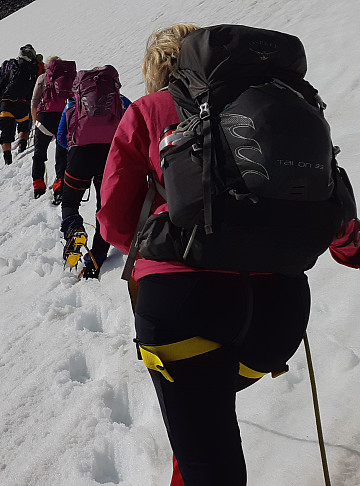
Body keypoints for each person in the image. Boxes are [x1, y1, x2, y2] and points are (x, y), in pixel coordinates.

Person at [98, 24, 360, 485]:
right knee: (206, 417)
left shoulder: (149, 110)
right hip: (278, 316)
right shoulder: (276, 104)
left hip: (185, 310)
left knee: (207, 452)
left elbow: (115, 224)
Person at [55, 65, 130, 278]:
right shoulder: (120, 100)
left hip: (80, 157)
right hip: (110, 157)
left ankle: (74, 229)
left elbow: (61, 137)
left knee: (70, 202)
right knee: (103, 208)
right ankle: (96, 259)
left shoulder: (74, 102)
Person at [31, 56, 76, 201]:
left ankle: (38, 185)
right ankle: (59, 186)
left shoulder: (43, 78)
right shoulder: (69, 77)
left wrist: (35, 121)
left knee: (39, 153)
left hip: (44, 119)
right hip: (65, 117)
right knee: (61, 151)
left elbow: (34, 101)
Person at [0, 45, 41, 165]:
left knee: (6, 132)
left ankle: (7, 159)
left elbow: (3, 81)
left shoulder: (14, 66)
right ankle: (22, 147)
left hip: (7, 102)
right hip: (24, 103)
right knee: (23, 127)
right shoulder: (35, 69)